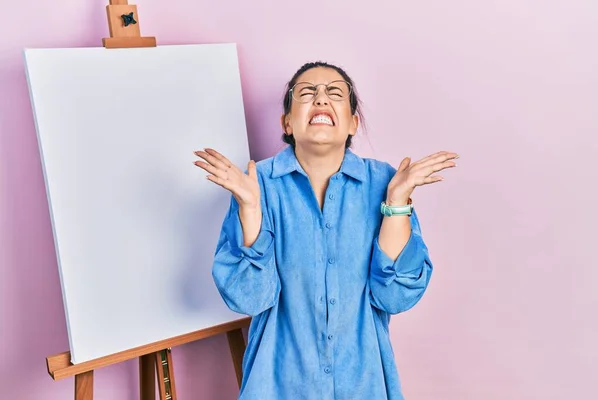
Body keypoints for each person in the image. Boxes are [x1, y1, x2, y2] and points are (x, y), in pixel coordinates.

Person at [193, 61, 458, 400]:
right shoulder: (256, 184)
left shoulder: (384, 182)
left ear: (352, 122)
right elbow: (250, 297)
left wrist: (396, 201)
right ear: (287, 122)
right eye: (306, 92)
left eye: (334, 92)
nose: (320, 98)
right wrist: (249, 207)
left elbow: (394, 296)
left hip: (362, 385)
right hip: (277, 387)